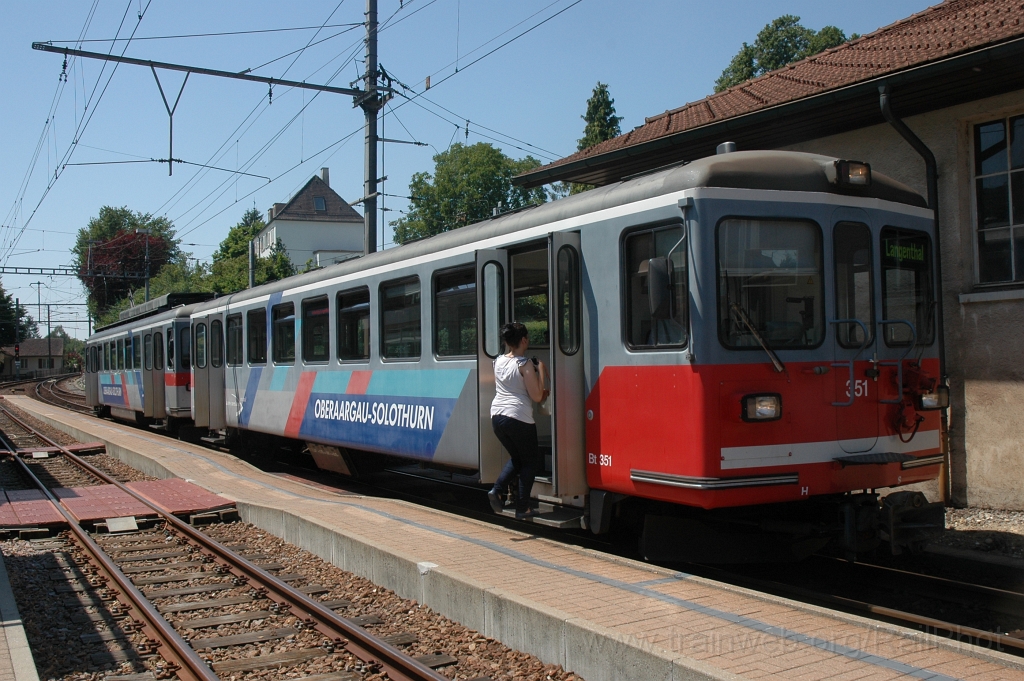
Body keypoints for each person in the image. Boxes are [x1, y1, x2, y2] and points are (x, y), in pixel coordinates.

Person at [487, 322, 549, 520]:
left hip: (497, 417)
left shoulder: (497, 362)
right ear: (523, 340)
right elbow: (537, 396)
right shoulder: (525, 364)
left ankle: (497, 490)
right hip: (518, 417)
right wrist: (541, 370)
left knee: (518, 458)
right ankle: (523, 507)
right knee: (530, 461)